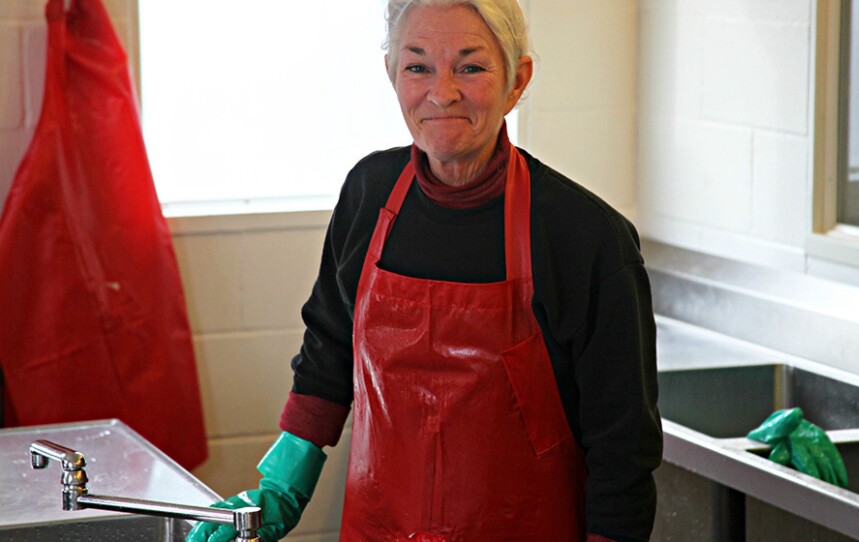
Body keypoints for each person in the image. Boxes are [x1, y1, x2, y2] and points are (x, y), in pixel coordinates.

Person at [187, 1, 662, 541]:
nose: (442, 93)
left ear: (517, 80)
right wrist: (283, 483)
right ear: (391, 75)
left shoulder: (585, 235)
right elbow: (329, 348)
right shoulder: (368, 193)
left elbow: (623, 447)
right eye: (418, 66)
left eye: (471, 66)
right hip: (379, 527)